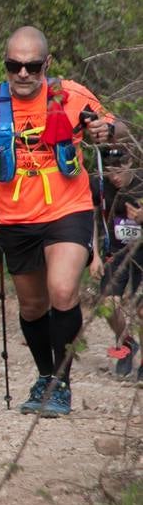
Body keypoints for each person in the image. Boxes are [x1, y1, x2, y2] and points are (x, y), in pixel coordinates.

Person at [0, 26, 124, 416]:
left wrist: (106, 130)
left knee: (62, 291)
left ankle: (61, 382)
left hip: (67, 208)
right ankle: (44, 375)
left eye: (32, 66)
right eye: (14, 65)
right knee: (32, 306)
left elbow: (115, 127)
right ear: (5, 64)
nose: (23, 74)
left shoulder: (71, 95)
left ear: (47, 64)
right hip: (16, 217)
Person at [90, 145, 141, 379]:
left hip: (140, 252)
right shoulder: (99, 186)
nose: (116, 176)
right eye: (110, 170)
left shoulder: (140, 182)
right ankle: (127, 342)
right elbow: (91, 218)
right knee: (108, 305)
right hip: (116, 251)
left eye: (120, 169)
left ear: (130, 163)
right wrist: (95, 256)